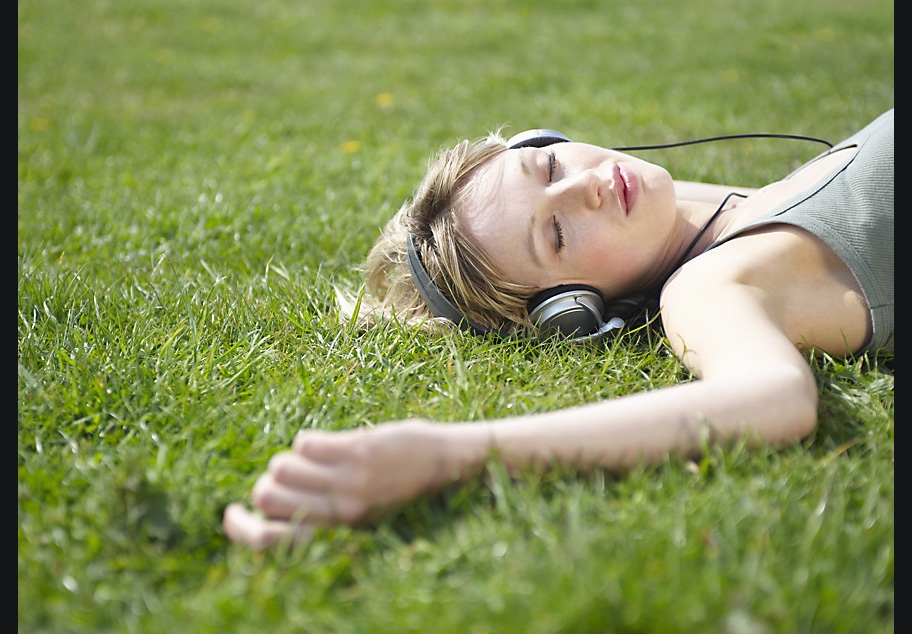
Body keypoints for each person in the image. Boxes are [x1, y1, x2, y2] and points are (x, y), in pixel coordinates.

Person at [224, 108, 893, 549]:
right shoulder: (706, 287)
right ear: (571, 312)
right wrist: (445, 454)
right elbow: (771, 396)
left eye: (548, 166)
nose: (587, 188)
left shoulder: (704, 210)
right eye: (556, 232)